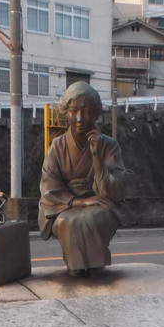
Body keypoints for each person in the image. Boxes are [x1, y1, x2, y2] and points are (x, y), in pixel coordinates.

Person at [38, 82, 129, 277]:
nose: (79, 118)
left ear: (95, 113)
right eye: (73, 111)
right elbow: (49, 189)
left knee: (94, 217)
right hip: (65, 205)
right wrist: (82, 201)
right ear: (65, 113)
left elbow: (115, 191)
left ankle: (96, 267)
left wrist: (97, 158)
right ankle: (75, 268)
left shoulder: (109, 146)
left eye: (86, 111)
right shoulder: (57, 146)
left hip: (101, 203)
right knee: (65, 222)